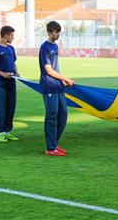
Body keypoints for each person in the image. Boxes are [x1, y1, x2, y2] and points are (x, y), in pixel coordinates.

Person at [39, 21, 74, 156]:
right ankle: (50, 148)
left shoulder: (55, 46)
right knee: (52, 116)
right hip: (48, 86)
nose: (58, 34)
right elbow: (48, 70)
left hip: (58, 86)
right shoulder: (45, 47)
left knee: (63, 115)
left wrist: (61, 81)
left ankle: (54, 143)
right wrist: (65, 78)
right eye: (55, 31)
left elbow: (55, 67)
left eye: (59, 31)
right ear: (49, 32)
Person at [0, 26, 20, 142]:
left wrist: (17, 71)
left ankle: (8, 131)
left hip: (11, 83)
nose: (13, 37)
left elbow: (14, 62)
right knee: (2, 108)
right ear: (6, 35)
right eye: (11, 35)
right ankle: (0, 132)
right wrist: (2, 74)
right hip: (1, 84)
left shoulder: (11, 49)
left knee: (11, 108)